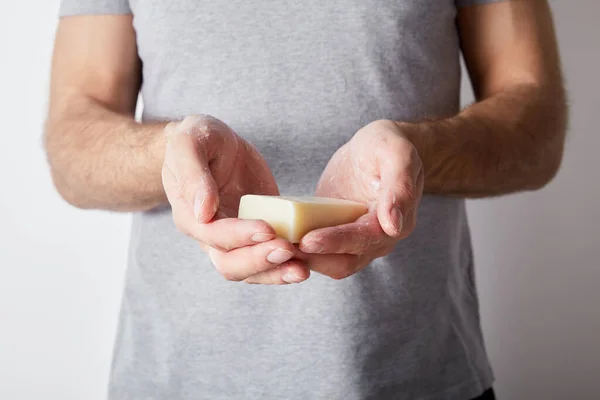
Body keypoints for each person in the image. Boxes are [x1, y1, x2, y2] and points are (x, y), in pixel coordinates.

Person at [44, 0, 566, 398]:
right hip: (174, 379)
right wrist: (168, 153)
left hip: (413, 376)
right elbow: (73, 143)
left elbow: (536, 130)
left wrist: (420, 151)